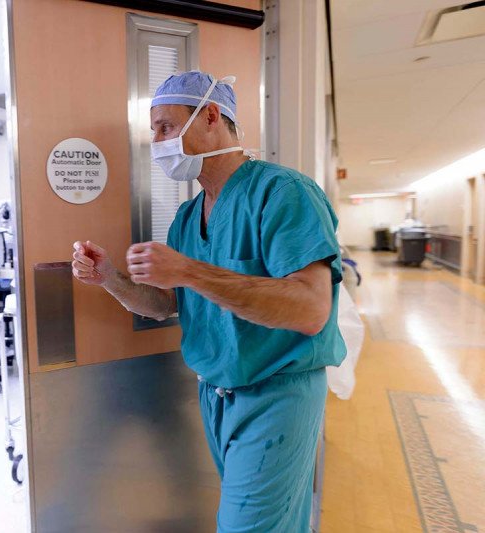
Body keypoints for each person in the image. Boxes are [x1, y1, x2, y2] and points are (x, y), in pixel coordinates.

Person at [71, 71, 346, 532]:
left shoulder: (282, 193)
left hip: (277, 394)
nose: (156, 141)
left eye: (164, 126)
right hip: (217, 395)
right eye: (153, 130)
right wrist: (109, 278)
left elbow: (310, 308)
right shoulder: (187, 216)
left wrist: (189, 270)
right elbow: (165, 304)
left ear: (212, 117)